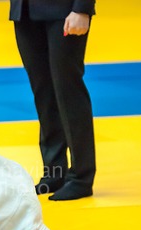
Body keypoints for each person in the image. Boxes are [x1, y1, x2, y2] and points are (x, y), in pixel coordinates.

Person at [10, 0, 97, 200]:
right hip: (23, 11)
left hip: (65, 11)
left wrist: (82, 9)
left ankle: (81, 178)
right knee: (44, 94)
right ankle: (54, 172)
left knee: (68, 92)